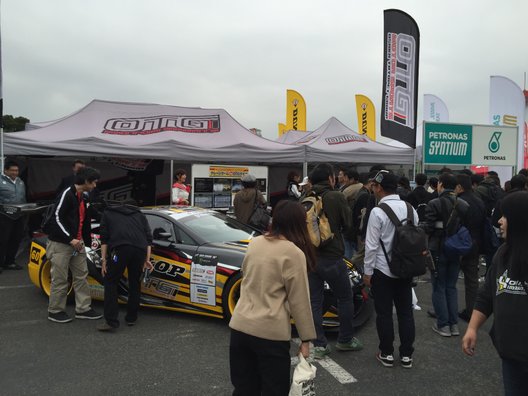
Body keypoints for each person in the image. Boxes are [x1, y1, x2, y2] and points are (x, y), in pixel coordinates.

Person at [229, 200, 316, 395]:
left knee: (244, 388)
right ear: (299, 223)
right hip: (270, 333)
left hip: (240, 327)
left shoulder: (255, 243)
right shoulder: (293, 253)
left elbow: (246, 278)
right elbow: (299, 300)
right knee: (273, 390)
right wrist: (306, 339)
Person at [462, 191, 528, 395]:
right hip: (510, 355)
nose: (499, 221)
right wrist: (472, 328)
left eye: (505, 216)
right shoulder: (503, 253)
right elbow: (487, 295)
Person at [363, 170, 418, 369]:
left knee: (384, 313)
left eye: (374, 186)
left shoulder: (378, 212)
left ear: (379, 188)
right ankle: (406, 355)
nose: (373, 189)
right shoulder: (411, 209)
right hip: (406, 269)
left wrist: (367, 272)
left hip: (383, 270)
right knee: (406, 313)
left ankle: (386, 353)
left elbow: (371, 246)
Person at [307, 163, 361, 360]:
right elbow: (348, 225)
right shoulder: (336, 196)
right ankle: (345, 340)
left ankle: (319, 344)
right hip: (332, 257)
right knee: (345, 297)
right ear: (330, 178)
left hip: (310, 258)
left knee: (314, 300)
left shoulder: (305, 198)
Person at [46, 167, 103, 323]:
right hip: (61, 244)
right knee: (60, 279)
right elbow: (56, 218)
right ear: (85, 181)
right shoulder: (67, 194)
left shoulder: (83, 196)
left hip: (77, 244)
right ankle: (55, 311)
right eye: (94, 182)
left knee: (81, 276)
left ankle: (83, 309)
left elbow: (87, 218)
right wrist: (70, 239)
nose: (95, 186)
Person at [423, 173, 469, 337]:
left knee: (438, 286)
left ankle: (443, 324)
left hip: (438, 248)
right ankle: (454, 325)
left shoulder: (434, 203)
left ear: (440, 184)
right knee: (451, 286)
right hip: (456, 249)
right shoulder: (463, 204)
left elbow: (428, 228)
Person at [97, 200, 153, 331]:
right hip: (139, 251)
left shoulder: (108, 213)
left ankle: (111, 322)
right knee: (135, 282)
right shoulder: (140, 215)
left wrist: (104, 260)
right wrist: (147, 259)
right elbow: (148, 240)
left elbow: (104, 239)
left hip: (120, 250)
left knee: (110, 281)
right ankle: (131, 317)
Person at [455, 174, 486, 322]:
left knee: (449, 279)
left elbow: (455, 224)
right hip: (475, 243)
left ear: (460, 187)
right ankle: (471, 311)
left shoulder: (459, 202)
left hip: (459, 243)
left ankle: (447, 310)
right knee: (472, 280)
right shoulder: (479, 201)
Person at [0, 160, 27, 272]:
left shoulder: (20, 182)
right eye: (12, 170)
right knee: (2, 240)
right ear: (5, 170)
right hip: (4, 216)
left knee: (16, 239)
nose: (15, 172)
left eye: (16, 170)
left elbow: (23, 198)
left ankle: (10, 262)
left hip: (18, 215)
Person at [340, 168, 366, 259]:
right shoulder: (362, 186)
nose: (343, 179)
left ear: (352, 179)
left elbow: (341, 205)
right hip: (357, 225)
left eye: (345, 177)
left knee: (349, 251)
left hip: (349, 224)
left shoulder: (348, 190)